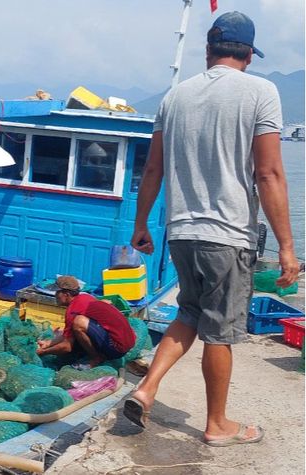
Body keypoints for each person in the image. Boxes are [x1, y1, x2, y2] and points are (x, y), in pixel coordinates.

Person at [124, 11, 300, 447]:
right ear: (249, 55)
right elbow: (269, 174)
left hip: (181, 231)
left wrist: (141, 223)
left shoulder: (175, 97)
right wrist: (287, 247)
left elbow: (152, 168)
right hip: (228, 235)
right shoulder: (262, 92)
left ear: (208, 51)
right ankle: (217, 424)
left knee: (189, 312)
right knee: (220, 333)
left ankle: (145, 390)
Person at [36, 275, 136, 368]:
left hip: (117, 348)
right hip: (128, 341)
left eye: (57, 292)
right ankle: (95, 353)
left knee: (79, 323)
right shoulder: (85, 297)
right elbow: (67, 335)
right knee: (73, 329)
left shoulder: (73, 311)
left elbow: (67, 347)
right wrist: (48, 343)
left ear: (66, 295)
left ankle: (96, 358)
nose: (55, 295)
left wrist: (43, 352)